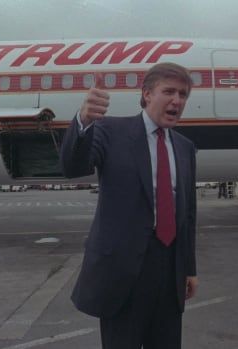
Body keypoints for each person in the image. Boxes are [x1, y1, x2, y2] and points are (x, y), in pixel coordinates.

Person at [60, 62, 198, 349]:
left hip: (170, 271)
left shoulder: (185, 147)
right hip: (123, 274)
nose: (177, 101)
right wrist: (84, 120)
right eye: (169, 92)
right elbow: (72, 166)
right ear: (147, 94)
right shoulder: (111, 131)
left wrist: (189, 268)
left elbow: (188, 212)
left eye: (183, 94)